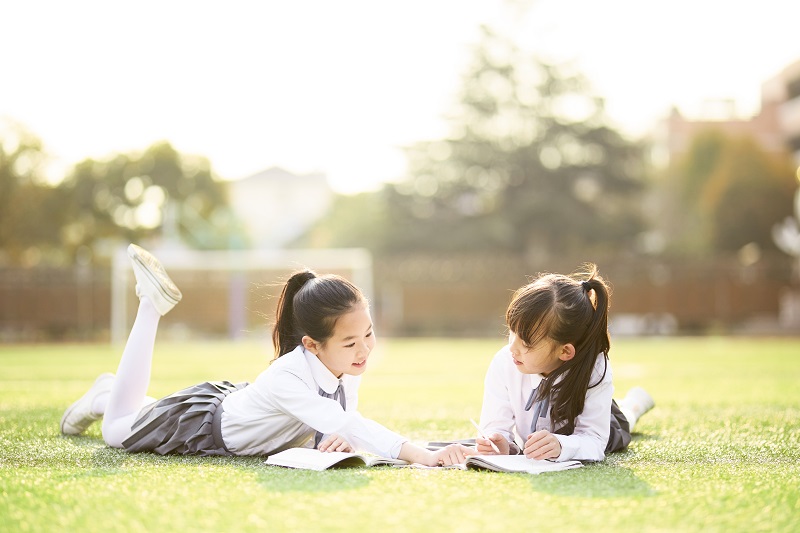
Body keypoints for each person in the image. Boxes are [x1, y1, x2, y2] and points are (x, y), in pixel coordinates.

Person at [60, 244, 470, 466]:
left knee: (132, 418)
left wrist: (332, 442)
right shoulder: (287, 376)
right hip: (206, 427)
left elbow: (335, 424)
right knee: (115, 430)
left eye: (369, 333)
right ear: (312, 343)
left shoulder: (348, 366)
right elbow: (347, 420)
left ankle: (112, 394)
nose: (364, 349)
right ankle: (144, 315)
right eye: (350, 342)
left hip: (232, 404)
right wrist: (422, 455)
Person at [474, 264, 655, 462]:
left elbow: (595, 440)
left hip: (599, 427)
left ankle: (633, 406)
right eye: (512, 332)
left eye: (526, 343)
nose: (512, 348)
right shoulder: (505, 362)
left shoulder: (595, 369)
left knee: (622, 424)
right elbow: (495, 427)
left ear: (565, 351)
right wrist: (500, 444)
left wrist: (561, 445)